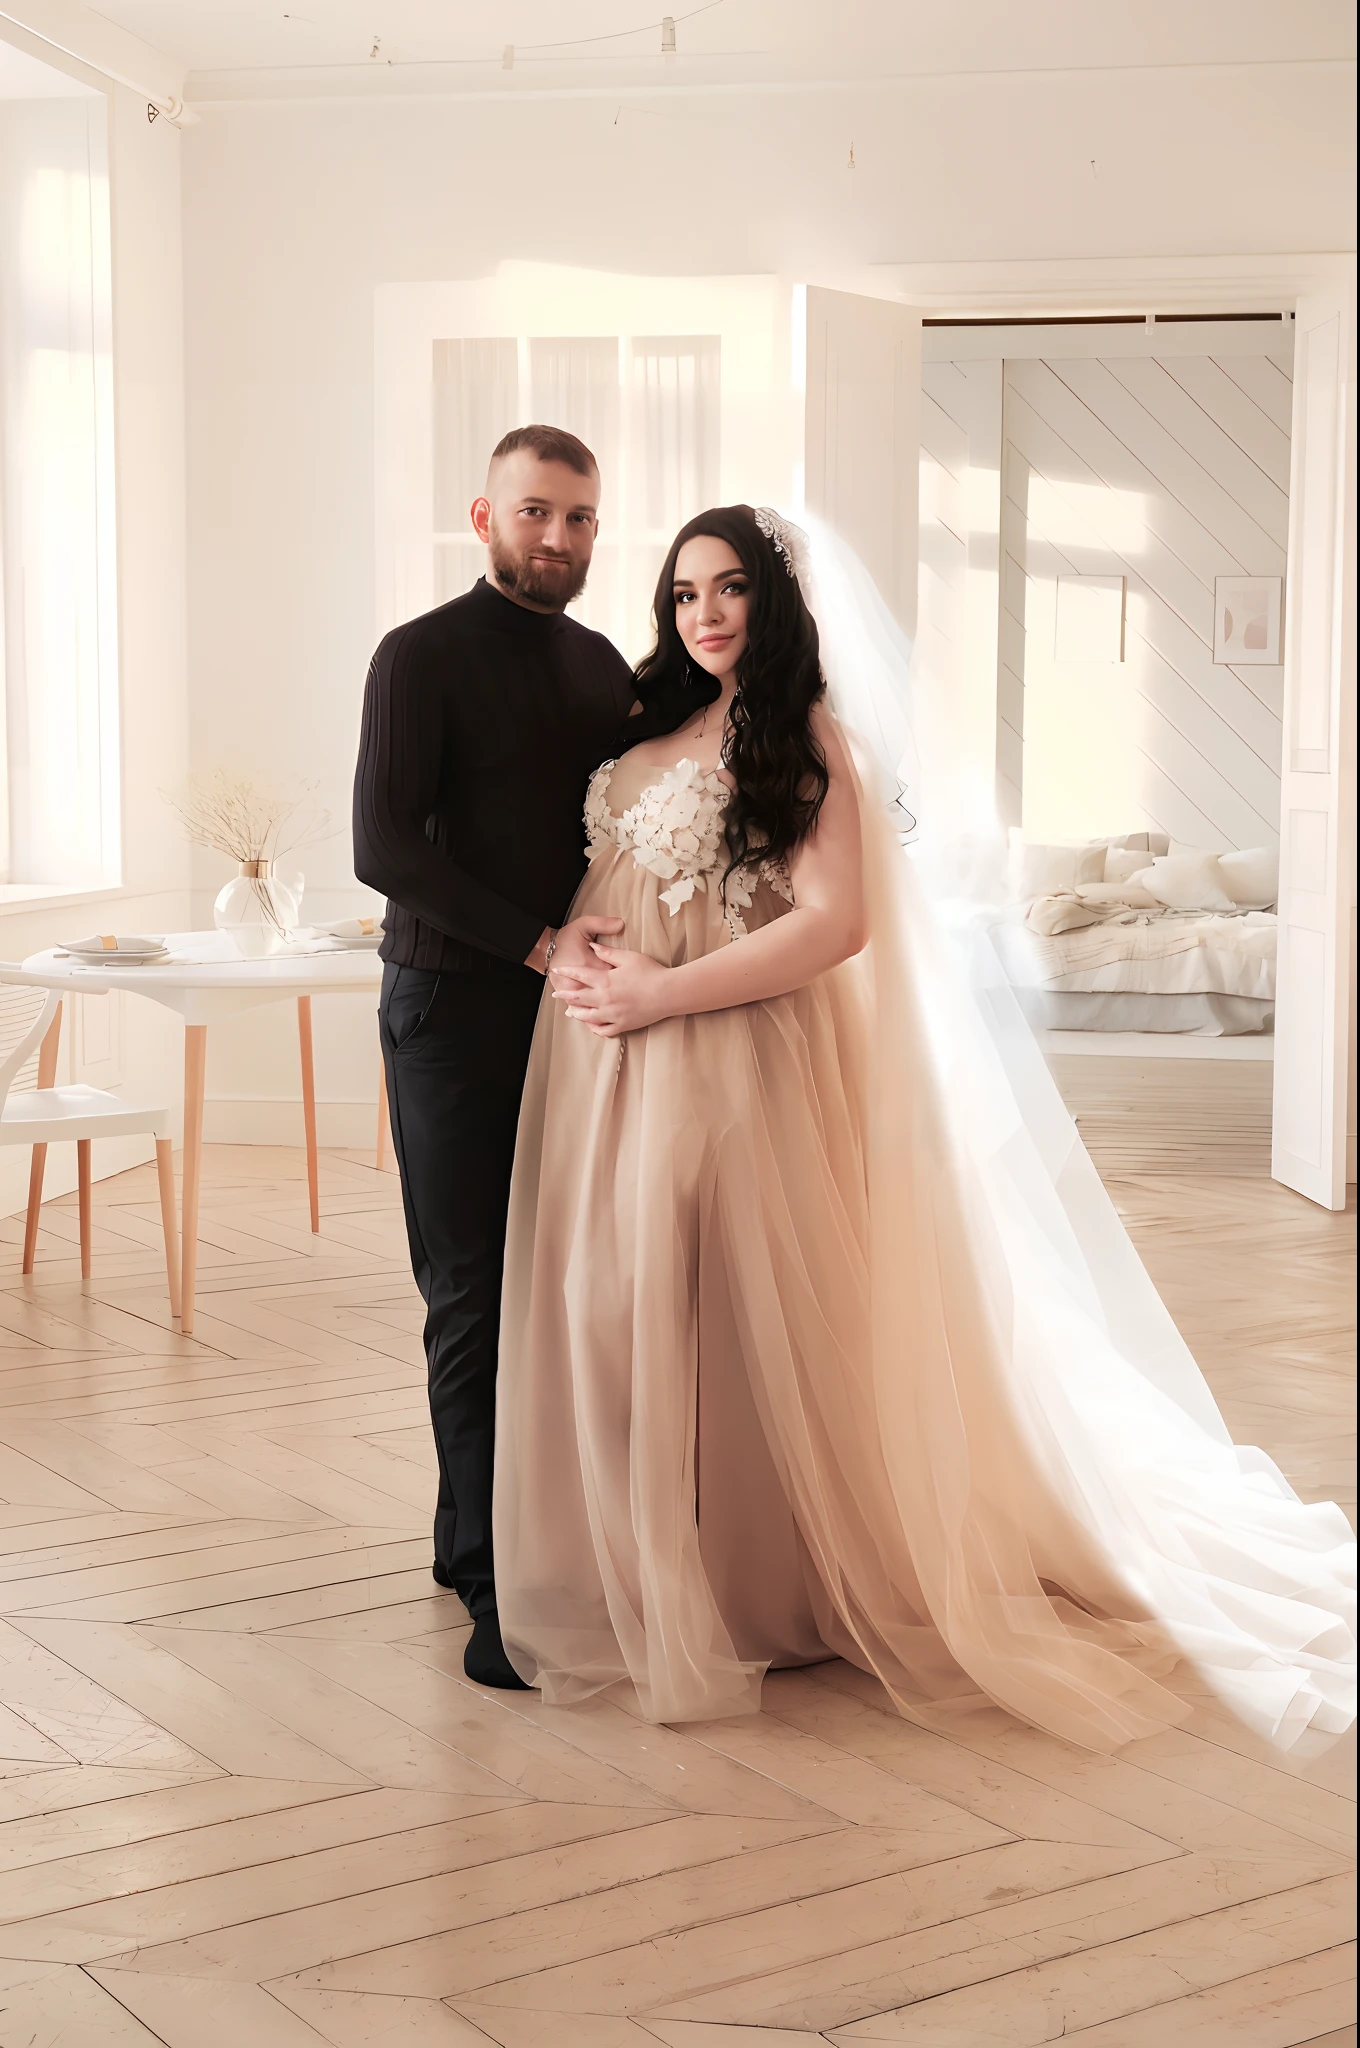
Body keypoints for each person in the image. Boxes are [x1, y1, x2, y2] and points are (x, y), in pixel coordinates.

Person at [492, 503, 1356, 1751]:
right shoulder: (649, 723)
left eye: (729, 589)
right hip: (606, 1063)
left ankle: (754, 1578)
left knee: (731, 1311)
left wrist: (660, 991)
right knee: (618, 1303)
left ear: (773, 602)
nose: (706, 614)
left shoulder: (803, 738)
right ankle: (634, 1554)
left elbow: (838, 923)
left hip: (727, 1053)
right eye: (684, 595)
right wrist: (578, 949)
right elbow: (615, 871)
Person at [352, 424, 641, 1689]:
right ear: (483, 518)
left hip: (566, 1005)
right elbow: (381, 844)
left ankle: (474, 1529)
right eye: (536, 513)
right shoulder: (416, 655)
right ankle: (488, 1587)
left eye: (579, 518)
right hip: (448, 1005)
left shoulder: (599, 666)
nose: (559, 539)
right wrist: (532, 943)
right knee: (470, 1289)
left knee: (553, 1284)